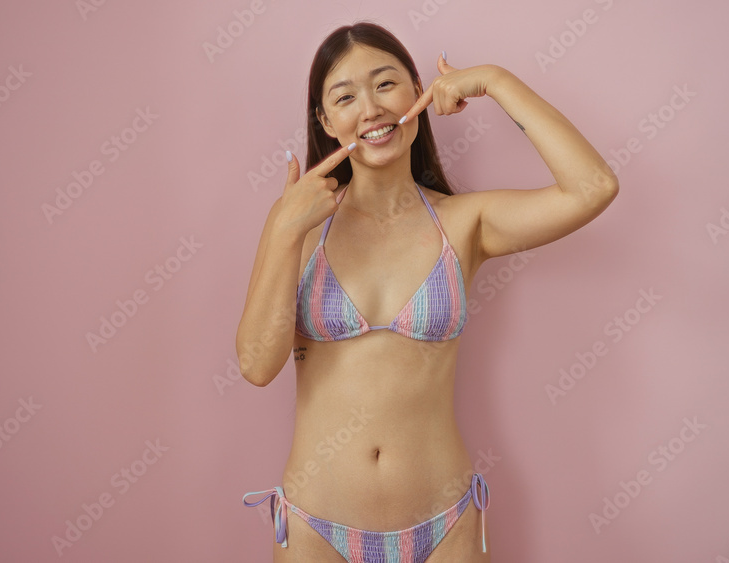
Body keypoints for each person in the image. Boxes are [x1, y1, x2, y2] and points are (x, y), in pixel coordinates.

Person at [237, 21, 618, 563]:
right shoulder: (298, 225)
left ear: (417, 90)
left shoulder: (463, 224)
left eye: (385, 84)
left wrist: (493, 80)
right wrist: (282, 232)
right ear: (325, 120)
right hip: (316, 528)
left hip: (445, 526)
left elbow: (593, 186)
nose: (370, 108)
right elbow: (256, 365)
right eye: (345, 96)